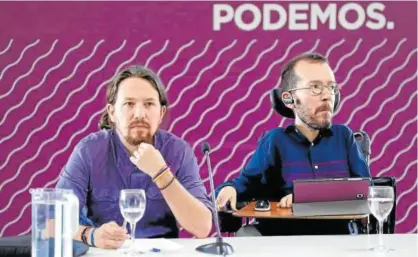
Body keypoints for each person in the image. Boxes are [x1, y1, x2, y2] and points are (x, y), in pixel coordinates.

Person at [56, 65, 213, 249]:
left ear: (161, 113)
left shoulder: (179, 151)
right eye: (129, 104)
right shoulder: (88, 151)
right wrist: (90, 235)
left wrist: (161, 173)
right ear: (112, 112)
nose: (139, 114)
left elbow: (202, 227)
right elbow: (51, 222)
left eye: (149, 104)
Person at [215, 52, 371, 236]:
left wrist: (306, 197)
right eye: (315, 87)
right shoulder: (275, 141)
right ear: (289, 99)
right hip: (285, 240)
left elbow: (365, 190)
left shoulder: (344, 136)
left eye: (331, 87)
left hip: (339, 239)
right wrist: (228, 188)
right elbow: (246, 183)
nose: (327, 96)